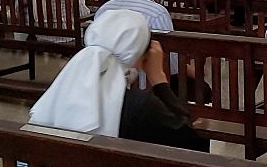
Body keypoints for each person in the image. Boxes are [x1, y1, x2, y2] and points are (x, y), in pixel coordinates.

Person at [28, 9, 207, 151]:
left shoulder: (57, 94)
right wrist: (159, 79)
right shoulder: (139, 106)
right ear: (139, 56)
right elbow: (191, 143)